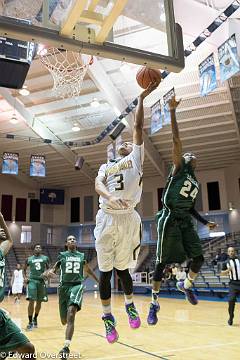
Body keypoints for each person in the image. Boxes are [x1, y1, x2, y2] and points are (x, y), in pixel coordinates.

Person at [94, 82, 158, 343]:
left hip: (129, 218)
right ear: (113, 151)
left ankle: (130, 305)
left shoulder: (136, 160)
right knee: (105, 273)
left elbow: (138, 127)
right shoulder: (105, 167)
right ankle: (108, 319)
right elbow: (97, 185)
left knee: (123, 271)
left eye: (127, 145)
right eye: (120, 145)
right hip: (107, 216)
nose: (124, 146)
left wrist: (141, 98)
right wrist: (110, 196)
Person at [147, 96, 217, 325]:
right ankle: (154, 303)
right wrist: (173, 112)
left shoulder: (194, 181)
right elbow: (176, 141)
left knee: (198, 258)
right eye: (188, 155)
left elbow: (192, 208)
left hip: (186, 220)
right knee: (161, 263)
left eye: (192, 155)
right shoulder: (178, 170)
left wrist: (205, 223)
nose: (191, 155)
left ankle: (185, 285)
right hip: (168, 218)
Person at [44, 235, 98, 358]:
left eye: (74, 239)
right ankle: (67, 331)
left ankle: (66, 347)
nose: (72, 240)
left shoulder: (81, 256)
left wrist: (99, 281)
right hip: (63, 288)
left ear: (76, 243)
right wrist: (50, 273)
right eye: (69, 239)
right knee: (64, 320)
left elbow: (88, 270)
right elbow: (53, 270)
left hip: (76, 286)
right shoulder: (62, 256)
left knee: (71, 313)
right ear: (66, 243)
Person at [0, 212, 35, 358]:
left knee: (28, 349)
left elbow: (9, 239)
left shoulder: (1, 252)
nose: (1, 230)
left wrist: (1, 219)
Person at [23, 244, 49, 330]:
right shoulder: (29, 259)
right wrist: (25, 277)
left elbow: (48, 269)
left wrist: (46, 274)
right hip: (32, 281)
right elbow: (24, 269)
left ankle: (35, 318)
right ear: (34, 249)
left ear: (41, 249)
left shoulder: (45, 258)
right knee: (31, 301)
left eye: (39, 247)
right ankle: (30, 321)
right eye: (36, 247)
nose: (38, 248)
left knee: (39, 302)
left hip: (41, 281)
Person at [220, 247, 240, 326]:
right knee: (231, 300)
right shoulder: (226, 262)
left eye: (232, 251)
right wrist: (228, 270)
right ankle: (231, 317)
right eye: (229, 251)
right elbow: (221, 273)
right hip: (233, 284)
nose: (231, 252)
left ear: (235, 252)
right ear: (228, 253)